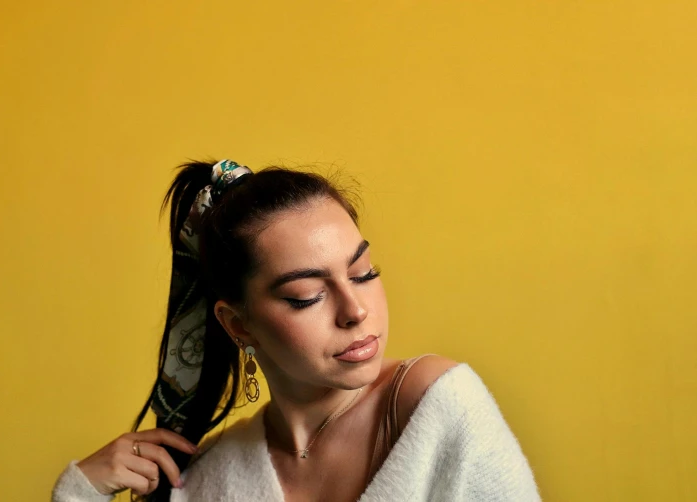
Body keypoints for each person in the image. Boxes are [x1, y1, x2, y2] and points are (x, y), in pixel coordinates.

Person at [51, 159, 541, 502]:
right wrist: (81, 491)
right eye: (307, 295)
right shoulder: (206, 478)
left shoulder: (435, 406)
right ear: (238, 324)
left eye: (363, 272)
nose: (355, 310)